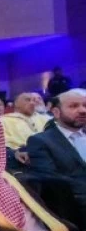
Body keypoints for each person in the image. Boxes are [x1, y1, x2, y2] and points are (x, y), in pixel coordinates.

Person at [27, 89, 86, 220]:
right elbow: (52, 182)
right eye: (74, 106)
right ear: (56, 112)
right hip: (74, 207)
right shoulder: (41, 141)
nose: (83, 110)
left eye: (85, 105)